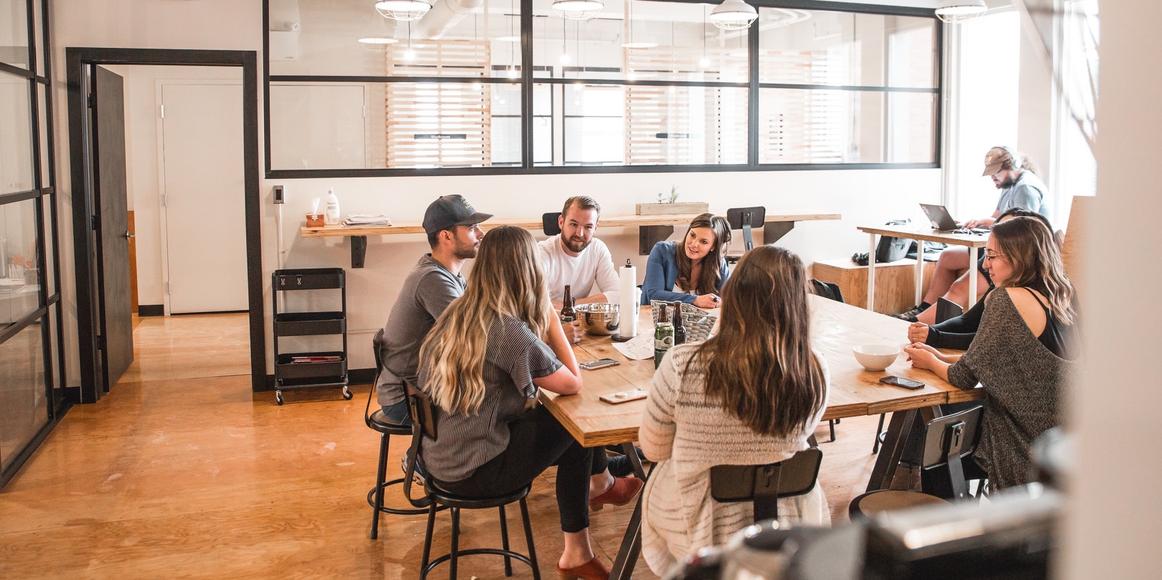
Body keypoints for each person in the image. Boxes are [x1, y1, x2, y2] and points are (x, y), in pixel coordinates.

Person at [417, 226, 641, 579]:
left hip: (439, 455)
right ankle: (588, 520)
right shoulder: (507, 331)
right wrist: (551, 317)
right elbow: (572, 381)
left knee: (561, 425)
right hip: (475, 471)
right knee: (572, 422)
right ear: (529, 271)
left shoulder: (459, 313)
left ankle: (584, 536)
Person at [639, 246, 831, 575]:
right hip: (786, 521)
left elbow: (653, 448)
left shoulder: (683, 364)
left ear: (733, 295)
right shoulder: (813, 370)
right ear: (798, 304)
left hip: (699, 521)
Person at [905, 216, 1077, 493]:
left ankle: (950, 528)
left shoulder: (1006, 299)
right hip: (1061, 440)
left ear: (1018, 257)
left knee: (934, 452)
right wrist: (938, 355)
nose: (985, 265)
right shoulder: (1059, 296)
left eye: (991, 256)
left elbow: (963, 377)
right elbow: (993, 360)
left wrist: (930, 361)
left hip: (1022, 445)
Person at [897, 147, 1050, 322]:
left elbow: (1022, 231)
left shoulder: (1026, 188)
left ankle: (918, 324)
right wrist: (978, 223)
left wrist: (990, 223)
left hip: (1016, 255)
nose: (993, 178)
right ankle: (924, 309)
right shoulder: (1009, 185)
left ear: (1012, 166)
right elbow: (998, 217)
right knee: (947, 257)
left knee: (959, 287)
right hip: (1002, 248)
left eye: (996, 173)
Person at [375, 194, 490, 424]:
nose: (480, 234)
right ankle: (422, 460)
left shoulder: (449, 275)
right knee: (503, 411)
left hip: (424, 390)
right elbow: (475, 335)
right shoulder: (433, 280)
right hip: (409, 401)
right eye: (471, 227)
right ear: (446, 235)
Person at [906, 209, 1057, 350]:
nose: (985, 265)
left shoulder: (1021, 296)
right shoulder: (1012, 283)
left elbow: (986, 346)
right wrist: (928, 330)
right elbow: (969, 322)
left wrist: (934, 337)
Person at [538, 195, 620, 344]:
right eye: (574, 224)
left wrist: (571, 306)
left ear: (595, 227)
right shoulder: (542, 253)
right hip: (547, 331)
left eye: (588, 227)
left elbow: (618, 295)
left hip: (582, 331)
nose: (579, 233)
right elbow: (536, 305)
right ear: (561, 222)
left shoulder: (598, 249)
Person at [642, 213, 732, 308]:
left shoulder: (718, 264)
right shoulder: (662, 251)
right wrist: (695, 300)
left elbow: (730, 299)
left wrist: (720, 301)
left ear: (713, 247)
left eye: (703, 242)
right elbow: (653, 295)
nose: (694, 244)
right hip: (652, 320)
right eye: (692, 235)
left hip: (698, 322)